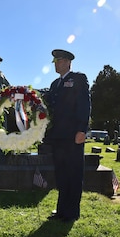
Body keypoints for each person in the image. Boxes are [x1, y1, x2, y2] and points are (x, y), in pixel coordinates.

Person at [43, 49, 91, 222]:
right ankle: (61, 210)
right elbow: (48, 104)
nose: (57, 64)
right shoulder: (55, 84)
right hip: (58, 136)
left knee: (73, 173)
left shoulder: (78, 79)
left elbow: (85, 105)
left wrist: (82, 130)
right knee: (61, 174)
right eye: (55, 61)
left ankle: (72, 212)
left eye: (60, 61)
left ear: (68, 62)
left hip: (73, 135)